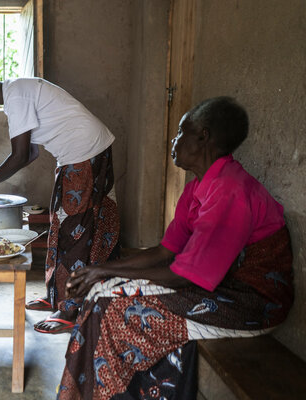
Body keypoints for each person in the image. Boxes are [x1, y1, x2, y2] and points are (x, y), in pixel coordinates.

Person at [57, 97, 293, 399]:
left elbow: (185, 276)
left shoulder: (230, 190)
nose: (174, 140)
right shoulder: (199, 187)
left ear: (203, 137)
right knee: (100, 291)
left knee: (113, 307)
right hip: (216, 287)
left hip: (251, 303)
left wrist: (104, 271)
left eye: (181, 132)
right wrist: (98, 271)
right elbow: (165, 252)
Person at [0, 65, 120, 334]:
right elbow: (30, 154)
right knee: (60, 223)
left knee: (74, 231)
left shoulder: (17, 96)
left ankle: (69, 310)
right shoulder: (16, 93)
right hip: (77, 154)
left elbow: (19, 157)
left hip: (84, 152)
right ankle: (57, 297)